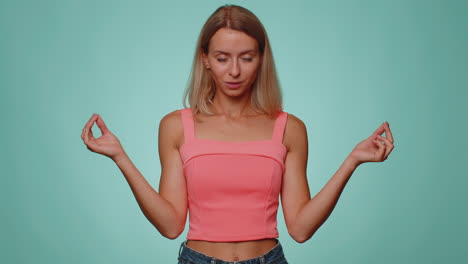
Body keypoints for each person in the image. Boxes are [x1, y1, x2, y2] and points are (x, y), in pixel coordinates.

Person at [81, 4, 395, 264]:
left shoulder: (290, 129)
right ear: (205, 59)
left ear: (261, 59)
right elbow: (170, 224)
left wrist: (352, 161)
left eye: (246, 58)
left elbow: (300, 228)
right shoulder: (176, 126)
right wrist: (120, 157)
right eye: (222, 58)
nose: (234, 71)